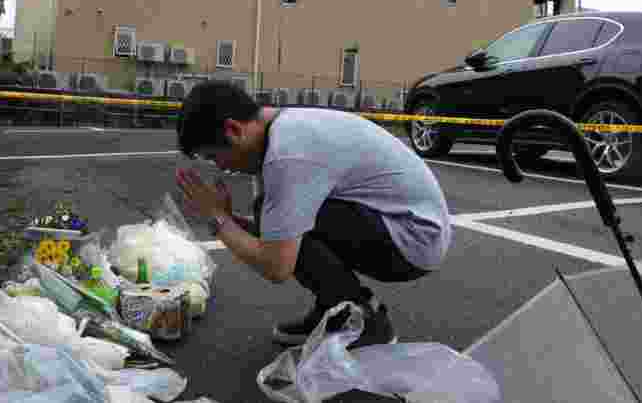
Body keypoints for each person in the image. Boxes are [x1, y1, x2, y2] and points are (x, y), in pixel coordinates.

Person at [175, 80, 452, 349]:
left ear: (234, 130)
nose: (222, 168)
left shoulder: (287, 154)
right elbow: (273, 234)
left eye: (214, 157)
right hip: (401, 220)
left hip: (414, 238)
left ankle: (364, 320)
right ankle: (333, 307)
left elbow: (276, 266)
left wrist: (218, 220)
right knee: (274, 216)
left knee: (282, 219)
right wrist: (227, 218)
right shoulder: (280, 127)